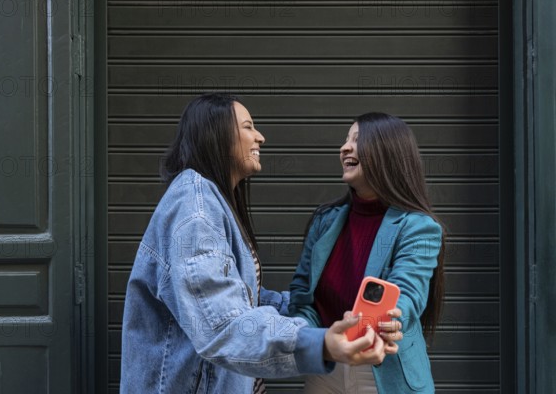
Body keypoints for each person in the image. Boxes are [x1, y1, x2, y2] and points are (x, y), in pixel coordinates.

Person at [120, 94, 402, 394]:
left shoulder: (209, 201)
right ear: (216, 134)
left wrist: (319, 304)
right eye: (248, 126)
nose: (261, 137)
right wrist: (320, 345)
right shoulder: (196, 211)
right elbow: (221, 324)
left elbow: (238, 295)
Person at [289, 112, 445, 393]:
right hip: (326, 368)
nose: (344, 147)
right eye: (345, 140)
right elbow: (302, 296)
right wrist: (316, 340)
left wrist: (392, 320)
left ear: (387, 152)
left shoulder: (418, 226)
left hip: (385, 369)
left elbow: (408, 292)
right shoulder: (325, 221)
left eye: (357, 140)